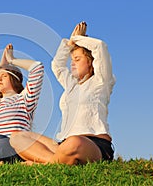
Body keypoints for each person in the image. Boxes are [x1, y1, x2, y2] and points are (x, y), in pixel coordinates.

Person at [10, 22, 116, 165]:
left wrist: (78, 39)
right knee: (18, 137)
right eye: (72, 60)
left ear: (90, 62)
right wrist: (70, 43)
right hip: (63, 144)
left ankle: (44, 162)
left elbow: (100, 47)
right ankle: (54, 161)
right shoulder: (71, 84)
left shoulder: (101, 81)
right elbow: (57, 65)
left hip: (94, 144)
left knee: (74, 143)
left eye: (77, 59)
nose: (72, 63)